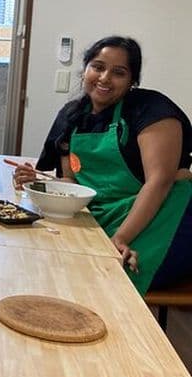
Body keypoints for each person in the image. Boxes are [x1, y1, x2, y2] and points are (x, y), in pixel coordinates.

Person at [15, 36, 192, 295]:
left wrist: (120, 238)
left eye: (118, 72)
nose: (105, 78)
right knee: (53, 263)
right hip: (104, 213)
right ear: (85, 69)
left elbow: (160, 182)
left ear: (133, 80)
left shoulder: (151, 110)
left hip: (165, 216)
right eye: (98, 67)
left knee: (106, 278)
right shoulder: (71, 116)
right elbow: (73, 183)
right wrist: (39, 183)